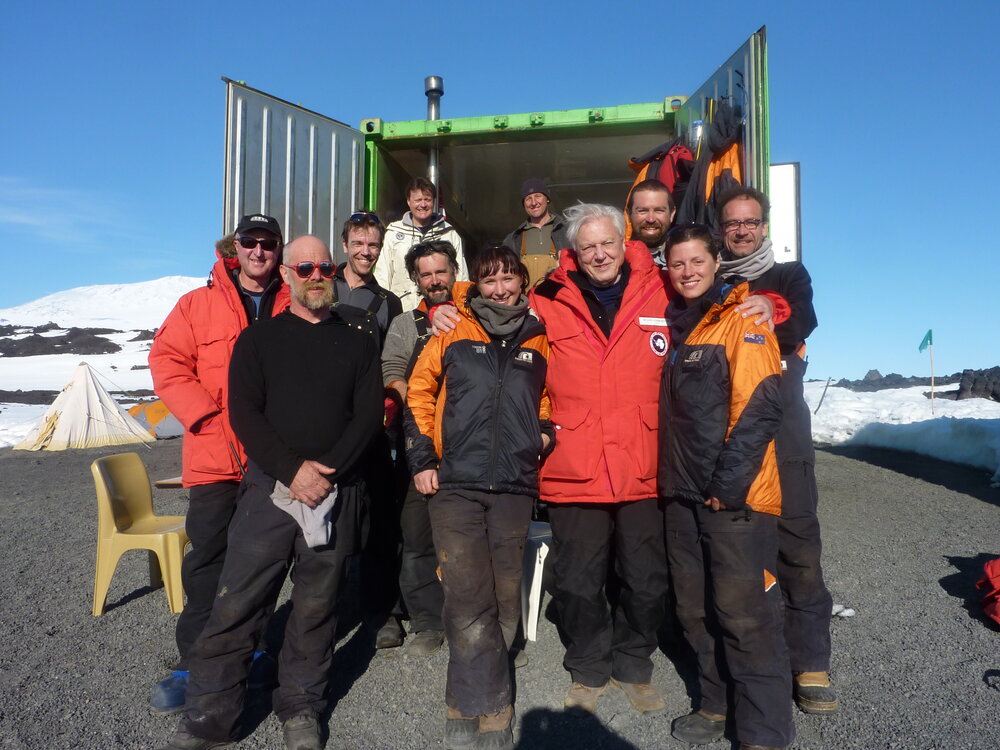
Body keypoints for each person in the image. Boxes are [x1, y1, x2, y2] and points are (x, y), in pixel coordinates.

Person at [157, 235, 383, 750]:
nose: (316, 276)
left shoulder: (357, 341)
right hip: (268, 489)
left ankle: (301, 708)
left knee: (316, 608)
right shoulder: (259, 341)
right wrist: (293, 471)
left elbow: (368, 415)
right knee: (237, 601)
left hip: (335, 489)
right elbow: (245, 414)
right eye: (304, 268)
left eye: (325, 267)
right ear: (287, 275)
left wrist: (326, 474)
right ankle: (210, 718)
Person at [526, 203, 673, 717]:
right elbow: (494, 317)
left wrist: (766, 301)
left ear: (623, 241)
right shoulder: (546, 298)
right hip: (575, 461)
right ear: (574, 251)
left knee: (646, 578)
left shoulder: (662, 287)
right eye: (588, 246)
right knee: (576, 580)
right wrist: (448, 309)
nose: (599, 254)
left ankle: (633, 662)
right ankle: (588, 666)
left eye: (607, 243)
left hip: (643, 460)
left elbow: (717, 304)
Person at [406, 245, 552, 750]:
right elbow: (419, 392)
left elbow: (545, 396)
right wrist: (423, 459)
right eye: (489, 280)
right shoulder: (451, 328)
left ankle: (482, 686)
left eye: (509, 278)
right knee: (467, 595)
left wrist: (543, 433)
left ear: (522, 282)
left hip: (514, 486)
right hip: (457, 486)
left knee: (505, 596)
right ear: (477, 284)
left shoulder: (538, 335)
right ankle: (480, 704)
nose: (500, 288)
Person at [147, 214, 289, 713]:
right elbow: (166, 361)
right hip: (214, 456)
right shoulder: (196, 305)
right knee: (208, 559)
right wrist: (204, 417)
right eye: (250, 241)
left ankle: (255, 651)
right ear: (235, 247)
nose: (258, 250)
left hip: (272, 459)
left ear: (278, 249)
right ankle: (194, 663)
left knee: (263, 561)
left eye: (268, 242)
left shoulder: (292, 304)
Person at [658, 223, 792, 750]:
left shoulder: (743, 319)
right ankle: (716, 704)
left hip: (735, 500)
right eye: (677, 263)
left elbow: (760, 408)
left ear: (717, 262)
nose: (687, 271)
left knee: (745, 616)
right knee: (694, 610)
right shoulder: (680, 327)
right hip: (682, 494)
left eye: (697, 261)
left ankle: (763, 732)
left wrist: (728, 486)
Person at [717, 186, 837, 715]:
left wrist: (770, 303)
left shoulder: (789, 276)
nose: (742, 230)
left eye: (750, 222)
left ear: (763, 227)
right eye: (732, 223)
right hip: (729, 435)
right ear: (722, 230)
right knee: (744, 552)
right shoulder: (710, 283)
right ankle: (757, 659)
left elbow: (800, 318)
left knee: (798, 545)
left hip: (784, 429)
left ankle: (810, 662)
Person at [379, 240, 461, 656]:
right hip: (420, 443)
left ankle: (468, 616)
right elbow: (391, 368)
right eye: (425, 274)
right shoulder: (404, 324)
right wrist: (413, 398)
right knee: (416, 535)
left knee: (468, 538)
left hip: (468, 444)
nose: (434, 281)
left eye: (440, 271)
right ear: (415, 280)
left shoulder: (473, 316)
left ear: (455, 271)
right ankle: (427, 621)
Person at [376, 177, 467, 311]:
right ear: (409, 201)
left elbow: (461, 277)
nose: (423, 205)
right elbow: (382, 276)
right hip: (401, 310)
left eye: (427, 199)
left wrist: (459, 308)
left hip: (440, 310)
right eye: (418, 200)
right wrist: (382, 309)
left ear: (433, 201)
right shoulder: (393, 233)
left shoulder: (449, 234)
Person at [334, 211, 402, 346]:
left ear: (380, 248)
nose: (365, 252)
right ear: (345, 245)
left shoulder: (390, 303)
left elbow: (392, 356)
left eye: (372, 245)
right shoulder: (323, 287)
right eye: (358, 244)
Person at [502, 177, 570, 285]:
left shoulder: (567, 231)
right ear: (524, 204)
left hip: (560, 294)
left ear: (547, 199)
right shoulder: (513, 239)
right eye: (528, 198)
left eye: (538, 196)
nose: (533, 203)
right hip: (528, 296)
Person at [626, 178, 676, 268]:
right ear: (628, 214)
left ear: (672, 214)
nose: (651, 219)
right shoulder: (616, 260)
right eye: (642, 211)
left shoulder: (686, 258)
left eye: (659, 211)